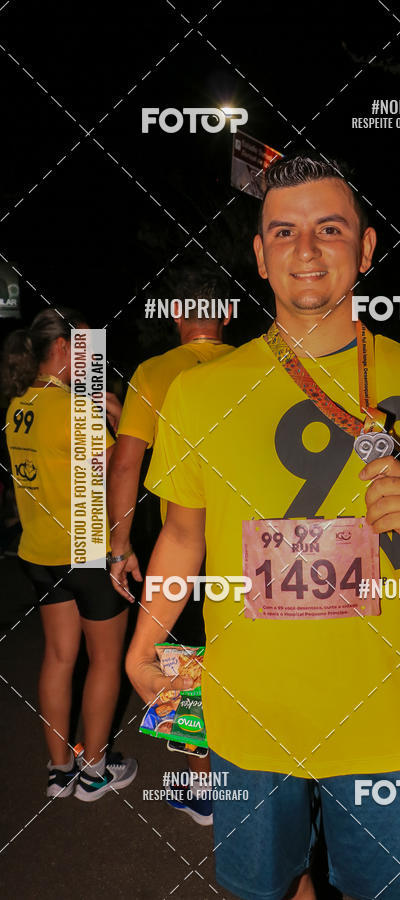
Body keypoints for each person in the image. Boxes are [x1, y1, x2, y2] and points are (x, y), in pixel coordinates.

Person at [126, 155, 400, 900]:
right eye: (283, 231)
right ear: (260, 256)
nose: (305, 249)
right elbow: (183, 536)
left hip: (392, 727)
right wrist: (143, 647)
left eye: (329, 229)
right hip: (246, 720)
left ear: (366, 247)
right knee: (266, 889)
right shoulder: (198, 394)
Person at [108, 274, 234, 825]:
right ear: (226, 314)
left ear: (177, 313)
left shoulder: (155, 372)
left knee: (182, 665)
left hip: (183, 548)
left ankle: (204, 788)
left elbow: (126, 464)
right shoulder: (257, 363)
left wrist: (119, 545)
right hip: (253, 546)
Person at [2, 308, 137, 801]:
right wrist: (120, 420)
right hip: (87, 548)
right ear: (62, 348)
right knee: (105, 660)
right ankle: (95, 772)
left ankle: (60, 771)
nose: (90, 360)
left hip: (38, 550)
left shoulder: (18, 405)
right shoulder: (75, 410)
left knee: (59, 657)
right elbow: (118, 473)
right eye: (84, 348)